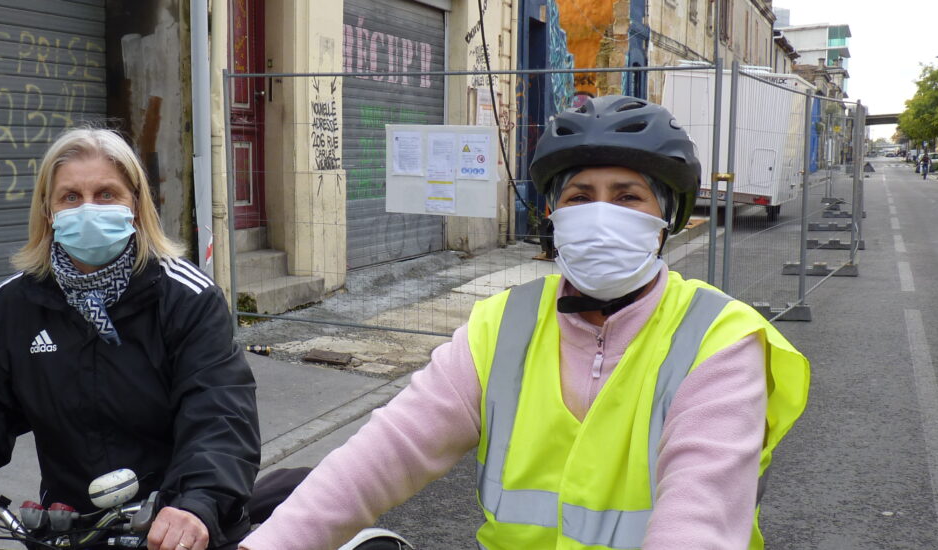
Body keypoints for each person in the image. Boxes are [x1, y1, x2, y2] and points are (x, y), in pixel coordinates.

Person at [240, 96, 810, 550]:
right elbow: (386, 452)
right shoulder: (502, 325)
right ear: (553, 216)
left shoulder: (720, 339)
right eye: (580, 196)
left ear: (668, 220)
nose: (600, 214)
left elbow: (700, 517)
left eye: (628, 196)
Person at [0, 127, 260, 550]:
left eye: (106, 194)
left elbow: (221, 412)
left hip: (173, 525)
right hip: (66, 527)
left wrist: (197, 503)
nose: (88, 209)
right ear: (48, 211)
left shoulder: (186, 297)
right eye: (70, 197)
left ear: (136, 205)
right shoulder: (11, 304)